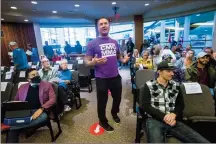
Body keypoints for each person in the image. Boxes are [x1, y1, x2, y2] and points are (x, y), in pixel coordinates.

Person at [139, 61, 209, 143]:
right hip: (155, 120)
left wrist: (174, 114)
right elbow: (146, 106)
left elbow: (180, 104)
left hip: (173, 120)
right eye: (168, 71)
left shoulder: (176, 85)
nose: (172, 73)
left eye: (172, 71)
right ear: (159, 72)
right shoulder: (149, 85)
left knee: (201, 141)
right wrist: (164, 116)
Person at [84, 17, 130, 131]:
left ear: (109, 26)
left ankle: (114, 113)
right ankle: (102, 121)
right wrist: (93, 62)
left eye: (106, 23)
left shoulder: (114, 42)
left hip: (115, 76)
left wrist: (123, 60)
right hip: (101, 78)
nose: (104, 25)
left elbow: (118, 56)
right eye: (101, 24)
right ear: (98, 27)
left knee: (117, 98)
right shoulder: (92, 44)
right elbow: (86, 61)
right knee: (102, 101)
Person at [7, 68, 56, 143]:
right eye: (33, 75)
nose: (36, 76)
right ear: (28, 79)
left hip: (40, 111)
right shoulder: (22, 87)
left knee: (44, 117)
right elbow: (16, 100)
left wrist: (41, 108)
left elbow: (53, 99)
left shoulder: (47, 85)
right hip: (25, 111)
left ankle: (12, 127)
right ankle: (16, 126)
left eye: (37, 74)